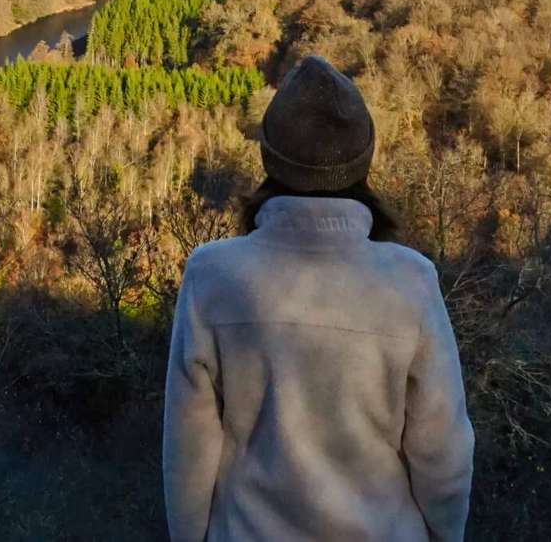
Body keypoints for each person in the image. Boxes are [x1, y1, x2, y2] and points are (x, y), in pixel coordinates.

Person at [163, 55, 475, 542]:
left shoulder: (213, 275)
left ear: (269, 158)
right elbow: (442, 448)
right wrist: (446, 534)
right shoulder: (410, 281)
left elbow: (189, 447)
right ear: (363, 162)